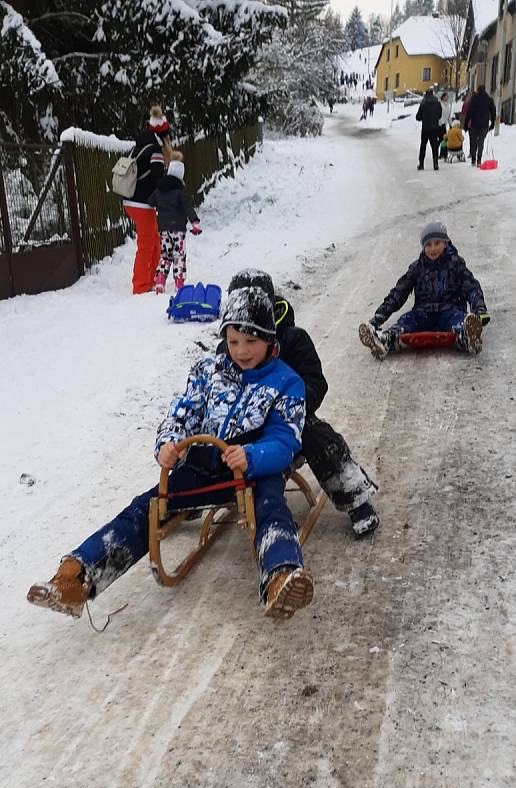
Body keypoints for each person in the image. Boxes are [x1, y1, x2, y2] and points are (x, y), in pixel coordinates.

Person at [27, 278, 314, 621]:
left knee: (271, 508)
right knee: (147, 508)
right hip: (202, 466)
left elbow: (285, 439)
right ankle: (77, 577)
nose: (241, 350)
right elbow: (183, 413)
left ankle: (280, 575)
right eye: (233, 340)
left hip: (252, 469)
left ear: (270, 340)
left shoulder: (287, 381)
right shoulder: (208, 371)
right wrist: (167, 444)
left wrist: (252, 456)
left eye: (251, 341)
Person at [220, 270, 379, 536]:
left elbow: (316, 381)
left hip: (292, 418)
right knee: (207, 434)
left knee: (319, 439)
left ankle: (355, 496)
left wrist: (290, 400)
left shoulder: (293, 338)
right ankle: (188, 493)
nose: (241, 348)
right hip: (246, 422)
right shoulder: (229, 346)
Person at [358, 221, 489, 359]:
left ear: (445, 243)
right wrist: (379, 317)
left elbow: (471, 286)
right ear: (423, 247)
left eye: (437, 243)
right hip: (423, 312)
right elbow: (398, 293)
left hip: (450, 310)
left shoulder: (455, 264)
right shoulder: (417, 268)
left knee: (459, 322)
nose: (433, 249)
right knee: (406, 321)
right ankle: (384, 340)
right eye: (428, 244)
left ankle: (467, 337)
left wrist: (479, 309)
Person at [123, 104, 175, 294]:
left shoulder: (140, 144)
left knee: (154, 240)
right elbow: (157, 179)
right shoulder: (155, 150)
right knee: (146, 243)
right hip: (141, 203)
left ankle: (152, 277)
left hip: (132, 200)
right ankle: (140, 285)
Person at [148, 159, 202, 294]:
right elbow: (187, 207)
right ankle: (179, 283)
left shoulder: (159, 189)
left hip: (163, 229)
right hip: (178, 229)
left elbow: (150, 201)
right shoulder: (180, 190)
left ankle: (160, 281)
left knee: (165, 255)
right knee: (179, 255)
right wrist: (194, 222)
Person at [464, 85, 496, 167]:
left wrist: (466, 124)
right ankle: (479, 160)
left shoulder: (474, 100)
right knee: (481, 142)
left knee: (474, 142)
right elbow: (493, 112)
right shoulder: (489, 100)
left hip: (474, 124)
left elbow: (469, 113)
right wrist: (492, 123)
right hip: (484, 125)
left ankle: (473, 159)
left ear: (478, 90)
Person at [416, 88, 442, 171]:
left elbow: (418, 117)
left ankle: (421, 164)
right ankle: (435, 164)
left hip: (425, 128)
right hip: (434, 128)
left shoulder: (423, 103)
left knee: (423, 145)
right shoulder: (437, 103)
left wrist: (423, 118)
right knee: (434, 146)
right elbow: (439, 115)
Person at [438, 91, 452, 159]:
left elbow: (449, 115)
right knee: (443, 139)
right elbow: (439, 115)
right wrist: (441, 123)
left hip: (444, 124)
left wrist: (450, 124)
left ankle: (442, 153)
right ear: (443, 97)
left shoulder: (447, 105)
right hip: (440, 124)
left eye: (447, 97)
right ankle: (441, 153)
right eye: (446, 97)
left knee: (443, 140)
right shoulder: (440, 104)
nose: (447, 98)